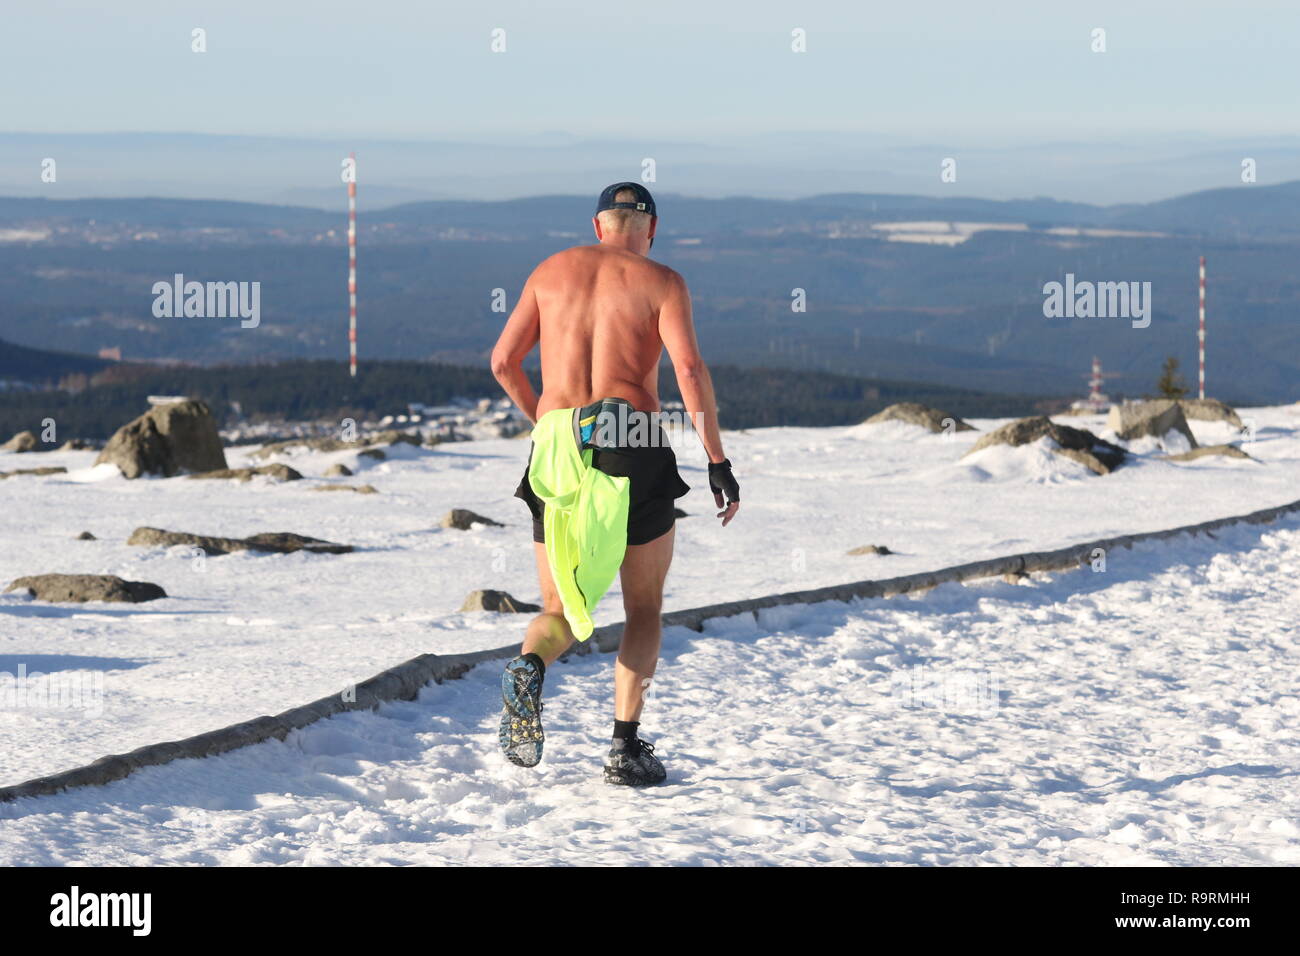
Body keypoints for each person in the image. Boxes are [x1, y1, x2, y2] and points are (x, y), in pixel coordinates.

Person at [489, 182, 740, 786]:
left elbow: (502, 362)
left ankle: (530, 665)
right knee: (643, 607)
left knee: (558, 608)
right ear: (650, 231)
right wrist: (716, 459)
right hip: (632, 436)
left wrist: (550, 426)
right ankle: (624, 750)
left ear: (598, 225)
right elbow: (686, 369)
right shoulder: (663, 281)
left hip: (556, 442)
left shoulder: (550, 271)